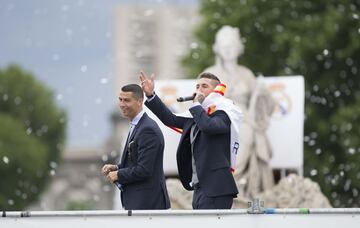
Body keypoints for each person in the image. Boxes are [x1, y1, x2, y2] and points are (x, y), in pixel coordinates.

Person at [140, 71, 239, 209]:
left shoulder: (224, 112)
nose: (199, 90)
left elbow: (209, 126)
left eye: (204, 86)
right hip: (199, 186)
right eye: (197, 86)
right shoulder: (195, 116)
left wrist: (196, 106)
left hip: (217, 188)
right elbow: (170, 119)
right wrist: (151, 95)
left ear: (215, 90)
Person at [203, 25, 276, 204]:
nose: (228, 50)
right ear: (217, 48)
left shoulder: (246, 74)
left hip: (244, 120)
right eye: (224, 46)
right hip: (218, 119)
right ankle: (227, 184)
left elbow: (267, 105)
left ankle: (234, 184)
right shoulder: (210, 73)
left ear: (238, 48)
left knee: (247, 134)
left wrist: (262, 93)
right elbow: (200, 101)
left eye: (231, 45)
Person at [101, 84, 170, 210]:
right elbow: (136, 162)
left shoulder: (147, 129)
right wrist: (116, 168)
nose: (122, 104)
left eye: (126, 100)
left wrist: (119, 175)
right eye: (120, 100)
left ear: (139, 102)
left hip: (147, 205)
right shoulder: (138, 125)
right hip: (141, 203)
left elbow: (144, 170)